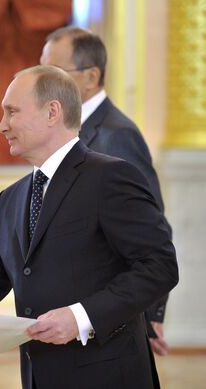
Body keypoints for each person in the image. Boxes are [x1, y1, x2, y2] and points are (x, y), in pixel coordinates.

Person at [0, 65, 178, 389]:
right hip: (39, 378)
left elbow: (160, 266)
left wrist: (81, 318)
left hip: (108, 375)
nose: (1, 126)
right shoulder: (10, 200)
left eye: (11, 112)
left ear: (52, 112)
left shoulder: (111, 177)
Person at [39, 26, 171, 356]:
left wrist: (152, 313)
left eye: (53, 71)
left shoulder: (117, 135)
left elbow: (150, 228)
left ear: (90, 76)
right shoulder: (62, 128)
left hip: (107, 316)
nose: (43, 81)